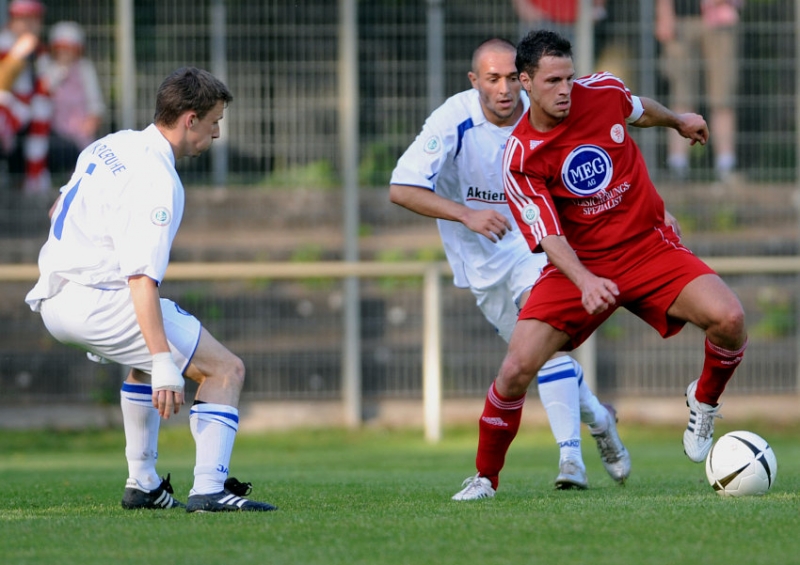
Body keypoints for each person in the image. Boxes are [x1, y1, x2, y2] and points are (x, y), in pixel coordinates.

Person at [451, 29, 747, 500]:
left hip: (648, 248)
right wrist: (586, 280)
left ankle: (704, 400)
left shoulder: (603, 91)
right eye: (552, 81)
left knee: (730, 319)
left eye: (568, 78)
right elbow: (548, 235)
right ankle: (485, 478)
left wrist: (678, 121)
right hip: (579, 265)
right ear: (526, 82)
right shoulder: (521, 156)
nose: (565, 89)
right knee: (515, 369)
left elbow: (639, 109)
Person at [25, 67, 276, 513]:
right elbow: (141, 279)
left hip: (55, 297)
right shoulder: (158, 179)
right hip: (97, 302)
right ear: (190, 119)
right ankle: (209, 490)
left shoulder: (111, 143)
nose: (217, 133)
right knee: (224, 370)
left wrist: (153, 359)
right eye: (215, 122)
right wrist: (163, 362)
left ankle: (142, 483)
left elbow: (57, 207)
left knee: (143, 362)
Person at [389, 38, 630, 495]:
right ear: (474, 81)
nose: (503, 90)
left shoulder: (545, 111)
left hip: (537, 246)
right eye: (492, 79)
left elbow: (604, 162)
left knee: (546, 346)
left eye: (509, 79)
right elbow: (401, 187)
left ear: (524, 79)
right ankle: (600, 419)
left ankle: (570, 459)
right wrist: (467, 214)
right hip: (481, 263)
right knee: (533, 358)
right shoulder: (454, 119)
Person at [655, 0, 742, 182]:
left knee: (723, 97)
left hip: (721, 21)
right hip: (682, 20)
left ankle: (726, 166)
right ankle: (677, 165)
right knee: (681, 95)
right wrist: (664, 11)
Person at [41, 20, 105, 178]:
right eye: (62, 48)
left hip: (80, 129)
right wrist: (62, 70)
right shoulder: (46, 65)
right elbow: (45, 89)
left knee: (84, 160)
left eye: (70, 48)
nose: (66, 53)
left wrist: (92, 120)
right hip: (52, 128)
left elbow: (95, 101)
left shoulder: (84, 68)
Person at [0, 0, 50, 194]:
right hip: (7, 114)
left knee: (42, 107)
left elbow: (45, 87)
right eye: (23, 19)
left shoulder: (39, 49)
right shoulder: (5, 43)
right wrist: (18, 55)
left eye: (34, 19)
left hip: (27, 116)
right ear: (12, 21)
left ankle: (34, 179)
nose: (30, 25)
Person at [512, 0, 607, 42]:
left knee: (574, 68)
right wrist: (524, 8)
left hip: (576, 23)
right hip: (540, 21)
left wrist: (597, 7)